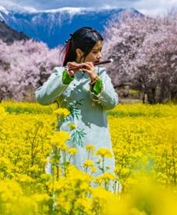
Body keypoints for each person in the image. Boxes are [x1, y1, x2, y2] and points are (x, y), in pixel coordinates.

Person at [35, 26, 122, 194]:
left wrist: (95, 81)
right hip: (69, 145)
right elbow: (42, 98)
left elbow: (112, 103)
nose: (100, 56)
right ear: (80, 51)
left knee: (98, 192)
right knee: (68, 193)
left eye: (100, 51)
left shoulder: (101, 74)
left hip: (97, 145)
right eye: (95, 52)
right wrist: (67, 77)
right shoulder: (61, 73)